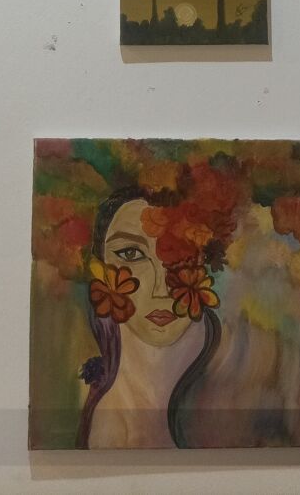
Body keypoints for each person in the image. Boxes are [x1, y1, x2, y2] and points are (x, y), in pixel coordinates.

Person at [76, 188, 221, 449]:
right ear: (99, 266)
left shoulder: (245, 384)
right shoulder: (103, 416)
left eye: (182, 254)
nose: (161, 290)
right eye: (131, 254)